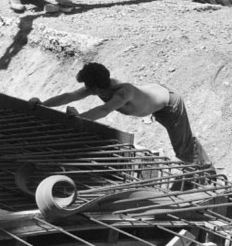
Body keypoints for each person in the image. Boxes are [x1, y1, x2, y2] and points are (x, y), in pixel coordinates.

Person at [30, 62, 213, 168]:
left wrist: (79, 118)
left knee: (183, 148)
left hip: (170, 105)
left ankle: (206, 171)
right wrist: (42, 105)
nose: (85, 89)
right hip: (154, 99)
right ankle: (200, 164)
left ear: (94, 86)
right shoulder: (98, 88)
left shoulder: (122, 93)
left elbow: (104, 111)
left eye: (87, 86)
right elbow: (69, 96)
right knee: (185, 142)